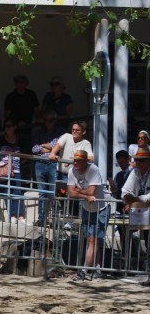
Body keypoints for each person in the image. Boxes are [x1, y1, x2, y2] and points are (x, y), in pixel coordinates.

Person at [68, 150, 109, 281]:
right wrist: (85, 196)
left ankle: (84, 271)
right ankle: (97, 269)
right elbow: (70, 193)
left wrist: (78, 190)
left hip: (101, 207)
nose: (75, 162)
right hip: (87, 207)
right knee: (92, 240)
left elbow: (92, 191)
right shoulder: (71, 171)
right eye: (75, 160)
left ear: (86, 161)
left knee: (93, 240)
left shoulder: (93, 170)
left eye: (79, 160)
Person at [31, 110, 66, 225]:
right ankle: (42, 219)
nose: (48, 123)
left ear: (55, 121)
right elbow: (34, 149)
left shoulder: (60, 132)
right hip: (40, 163)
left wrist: (45, 146)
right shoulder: (38, 132)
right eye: (46, 121)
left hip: (52, 164)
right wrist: (50, 147)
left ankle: (55, 219)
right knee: (42, 193)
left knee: (52, 193)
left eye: (50, 121)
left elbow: (58, 147)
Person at [121, 145, 150, 285]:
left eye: (142, 160)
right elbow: (125, 189)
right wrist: (128, 197)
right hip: (144, 213)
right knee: (148, 243)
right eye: (136, 160)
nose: (138, 163)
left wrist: (135, 199)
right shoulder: (135, 172)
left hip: (145, 209)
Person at [0, 120, 26, 223]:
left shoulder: (20, 140)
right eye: (5, 126)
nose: (7, 128)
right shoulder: (0, 140)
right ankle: (12, 215)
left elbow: (26, 154)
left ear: (14, 127)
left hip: (16, 170)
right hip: (4, 170)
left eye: (9, 126)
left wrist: (19, 163)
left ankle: (20, 215)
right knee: (7, 192)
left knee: (17, 191)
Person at [4, 74, 41, 147]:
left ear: (26, 83)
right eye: (18, 82)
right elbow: (7, 115)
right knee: (15, 150)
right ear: (15, 84)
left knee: (27, 148)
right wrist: (16, 123)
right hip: (14, 130)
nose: (20, 84)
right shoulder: (10, 97)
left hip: (28, 128)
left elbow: (36, 110)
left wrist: (39, 120)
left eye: (22, 82)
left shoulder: (31, 94)